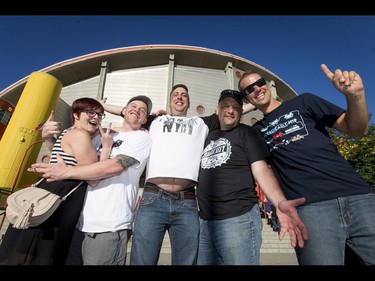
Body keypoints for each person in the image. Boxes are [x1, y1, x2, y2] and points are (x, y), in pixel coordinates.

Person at [238, 64, 375, 265]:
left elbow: (356, 129)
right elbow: (262, 169)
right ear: (246, 98)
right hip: (311, 210)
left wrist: (355, 96)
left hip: (359, 198)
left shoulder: (304, 101)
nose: (256, 89)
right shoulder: (256, 131)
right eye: (249, 89)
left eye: (259, 83)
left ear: (266, 84)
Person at [101, 85, 222, 265]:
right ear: (170, 100)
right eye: (176, 94)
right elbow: (127, 112)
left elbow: (233, 110)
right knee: (143, 260)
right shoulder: (155, 121)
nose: (179, 97)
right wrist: (100, 106)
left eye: (184, 95)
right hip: (153, 200)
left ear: (188, 102)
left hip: (187, 202)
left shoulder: (201, 123)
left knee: (186, 261)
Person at [29, 95, 153, 265]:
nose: (136, 110)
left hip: (108, 225)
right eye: (133, 105)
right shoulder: (97, 135)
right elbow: (69, 159)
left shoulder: (142, 138)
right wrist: (49, 138)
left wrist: (65, 172)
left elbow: (114, 167)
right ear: (124, 110)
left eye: (142, 110)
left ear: (145, 119)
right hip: (78, 221)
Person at [196, 89, 307, 265]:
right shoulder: (206, 136)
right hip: (205, 222)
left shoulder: (247, 133)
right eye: (225, 106)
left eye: (235, 107)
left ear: (241, 113)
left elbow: (261, 169)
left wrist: (279, 202)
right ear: (217, 110)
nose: (230, 110)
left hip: (237, 218)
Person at [0, 98, 112, 265]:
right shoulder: (80, 135)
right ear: (75, 114)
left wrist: (48, 139)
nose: (96, 117)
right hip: (60, 197)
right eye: (90, 112)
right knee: (43, 251)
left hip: (50, 193)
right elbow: (93, 178)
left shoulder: (68, 132)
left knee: (27, 249)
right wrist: (106, 148)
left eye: (99, 114)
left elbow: (63, 159)